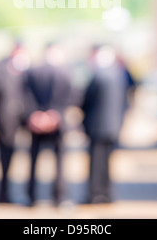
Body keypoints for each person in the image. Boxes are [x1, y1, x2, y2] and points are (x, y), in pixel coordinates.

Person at [81, 44, 134, 204]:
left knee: (96, 164)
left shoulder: (98, 76)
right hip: (113, 125)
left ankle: (95, 194)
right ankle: (107, 193)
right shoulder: (119, 75)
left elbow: (86, 100)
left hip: (97, 126)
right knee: (107, 162)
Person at [22, 42, 71, 206]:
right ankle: (59, 197)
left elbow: (24, 95)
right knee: (59, 163)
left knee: (33, 160)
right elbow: (72, 97)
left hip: (36, 122)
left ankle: (31, 196)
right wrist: (55, 115)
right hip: (57, 123)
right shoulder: (66, 72)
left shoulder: (32, 72)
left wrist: (34, 115)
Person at [0, 41, 30, 203]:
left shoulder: (23, 70)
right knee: (5, 154)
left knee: (17, 154)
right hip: (5, 118)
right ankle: (3, 194)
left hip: (19, 116)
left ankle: (13, 191)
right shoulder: (1, 68)